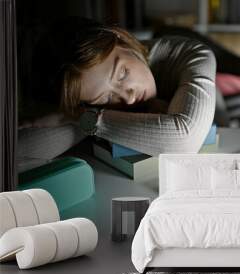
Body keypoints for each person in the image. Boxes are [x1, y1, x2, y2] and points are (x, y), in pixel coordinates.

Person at [17, 17, 217, 172]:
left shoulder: (192, 55)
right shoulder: (83, 98)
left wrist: (80, 118)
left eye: (122, 74)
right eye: (105, 99)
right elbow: (15, 156)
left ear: (122, 39)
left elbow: (183, 140)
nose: (128, 98)